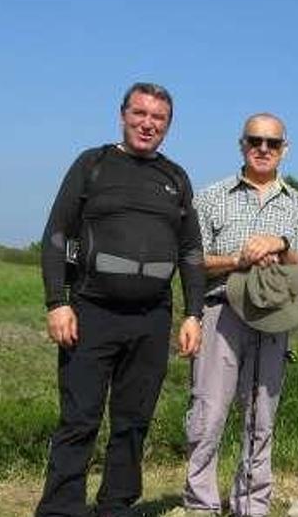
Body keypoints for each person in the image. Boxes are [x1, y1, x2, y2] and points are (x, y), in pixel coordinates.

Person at [36, 82, 205, 517]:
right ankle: (60, 509)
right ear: (123, 114)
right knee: (80, 419)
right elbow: (56, 235)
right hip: (92, 311)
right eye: (140, 114)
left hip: (152, 318)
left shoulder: (176, 177)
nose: (148, 124)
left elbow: (191, 252)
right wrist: (58, 301)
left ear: (168, 125)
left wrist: (193, 314)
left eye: (158, 118)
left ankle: (116, 505)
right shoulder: (93, 164)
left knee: (133, 422)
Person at [182, 113, 298, 517]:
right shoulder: (211, 197)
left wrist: (281, 244)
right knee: (208, 413)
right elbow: (191, 260)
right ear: (241, 144)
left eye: (272, 143)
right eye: (255, 141)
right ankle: (200, 505)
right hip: (221, 313)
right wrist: (237, 259)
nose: (263, 149)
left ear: (285, 149)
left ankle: (252, 505)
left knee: (261, 415)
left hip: (274, 319)